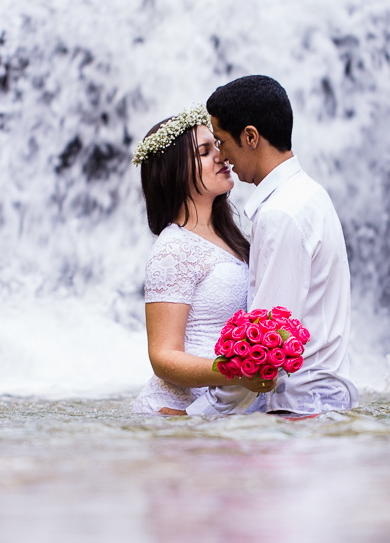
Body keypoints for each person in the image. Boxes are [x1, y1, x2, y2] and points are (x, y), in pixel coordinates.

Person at [187, 75, 359, 415]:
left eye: (221, 141)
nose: (221, 156)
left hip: (298, 409)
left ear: (250, 137)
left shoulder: (280, 214)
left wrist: (197, 417)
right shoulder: (310, 193)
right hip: (321, 400)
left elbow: (263, 346)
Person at [131, 106, 275, 415]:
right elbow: (163, 356)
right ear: (175, 170)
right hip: (178, 416)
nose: (222, 156)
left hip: (223, 409)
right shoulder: (173, 248)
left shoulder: (234, 237)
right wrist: (235, 372)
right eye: (204, 152)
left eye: (218, 146)